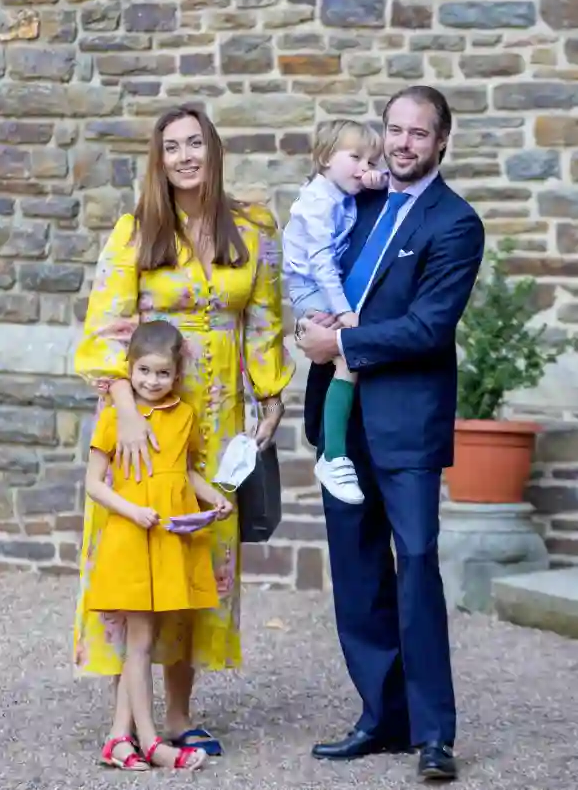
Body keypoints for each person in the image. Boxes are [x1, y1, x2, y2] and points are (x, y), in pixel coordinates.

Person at [74, 104, 294, 760]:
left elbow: (265, 317)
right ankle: (128, 723)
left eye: (196, 142)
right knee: (136, 561)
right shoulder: (135, 229)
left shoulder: (253, 228)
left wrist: (272, 395)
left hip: (217, 422)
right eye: (172, 147)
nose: (186, 156)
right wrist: (128, 408)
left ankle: (174, 716)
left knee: (194, 565)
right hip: (142, 420)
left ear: (213, 149)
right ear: (159, 159)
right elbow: (106, 329)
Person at [296, 86, 485, 782]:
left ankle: (434, 734)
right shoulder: (357, 201)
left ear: (442, 142)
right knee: (356, 570)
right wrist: (304, 330)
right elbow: (314, 274)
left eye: (418, 133)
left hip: (406, 423)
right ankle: (382, 716)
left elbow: (430, 326)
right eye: (395, 130)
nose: (403, 143)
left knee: (416, 567)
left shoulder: (455, 222)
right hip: (343, 421)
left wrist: (344, 345)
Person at [86, 320, 233, 770]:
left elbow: (181, 470)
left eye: (162, 373)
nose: (152, 381)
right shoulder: (114, 418)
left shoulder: (185, 415)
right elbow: (94, 485)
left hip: (169, 538)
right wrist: (132, 512)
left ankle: (123, 740)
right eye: (144, 371)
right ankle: (148, 741)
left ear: (177, 373)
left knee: (150, 641)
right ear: (129, 369)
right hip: (132, 537)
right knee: (141, 641)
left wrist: (213, 497)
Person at [283, 119, 386, 505]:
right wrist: (344, 314)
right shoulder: (318, 203)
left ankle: (334, 452)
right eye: (356, 157)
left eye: (371, 159)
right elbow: (322, 264)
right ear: (326, 158)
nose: (365, 167)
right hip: (313, 288)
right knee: (349, 355)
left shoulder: (340, 192)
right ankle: (333, 455)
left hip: (325, 287)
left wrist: (378, 176)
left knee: (349, 356)